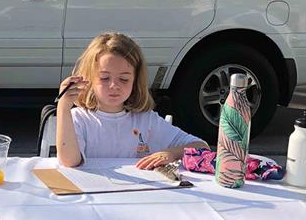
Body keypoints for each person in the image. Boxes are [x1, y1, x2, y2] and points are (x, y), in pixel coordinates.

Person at [56, 32, 207, 169]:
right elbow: (69, 161)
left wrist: (172, 154)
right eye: (104, 78)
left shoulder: (147, 120)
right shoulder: (79, 118)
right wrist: (63, 107)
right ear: (88, 78)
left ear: (135, 81)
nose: (114, 85)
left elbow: (201, 146)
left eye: (124, 79)